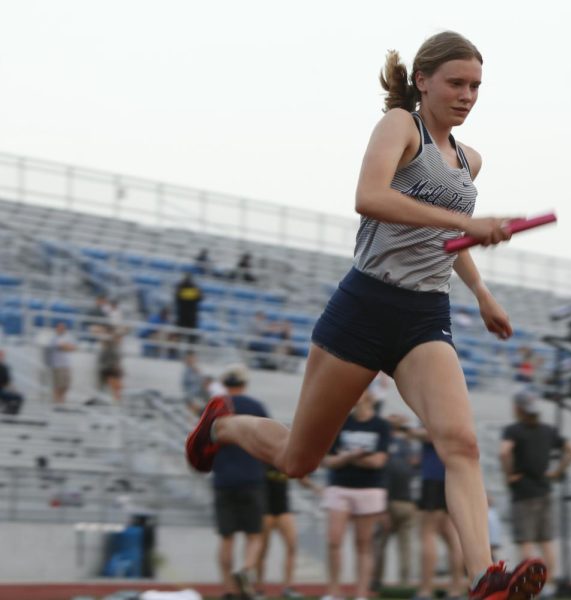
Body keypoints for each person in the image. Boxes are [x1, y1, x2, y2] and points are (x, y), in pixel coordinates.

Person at [185, 30, 546, 599]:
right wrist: (468, 224)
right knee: (298, 458)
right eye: (456, 83)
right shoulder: (401, 127)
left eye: (476, 85)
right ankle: (222, 426)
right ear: (423, 80)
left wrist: (481, 293)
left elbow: (446, 244)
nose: (467, 95)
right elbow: (369, 196)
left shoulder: (469, 160)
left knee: (461, 442)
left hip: (426, 315)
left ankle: (485, 577)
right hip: (366, 306)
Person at [500, 390, 571, 596]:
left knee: (526, 542)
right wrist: (557, 472)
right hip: (544, 490)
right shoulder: (548, 430)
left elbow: (504, 452)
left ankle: (529, 587)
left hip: (524, 491)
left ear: (518, 408)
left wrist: (510, 474)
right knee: (546, 541)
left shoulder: (513, 430)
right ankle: (549, 586)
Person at [321, 390, 391, 600]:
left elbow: (378, 462)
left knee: (363, 543)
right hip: (340, 486)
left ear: (369, 396)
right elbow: (328, 460)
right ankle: (334, 592)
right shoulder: (341, 422)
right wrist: (354, 456)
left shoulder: (381, 425)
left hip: (368, 489)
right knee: (334, 539)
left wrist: (347, 458)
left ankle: (361, 594)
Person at [210, 366, 269, 600]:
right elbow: (268, 440)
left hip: (223, 478)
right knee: (255, 535)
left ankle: (228, 589)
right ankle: (245, 571)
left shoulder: (214, 408)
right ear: (244, 384)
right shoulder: (256, 407)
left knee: (227, 537)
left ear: (225, 384)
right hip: (251, 477)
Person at [410, 427, 465, 600]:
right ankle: (455, 589)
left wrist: (405, 430)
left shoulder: (436, 407)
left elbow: (431, 434)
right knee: (450, 535)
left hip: (434, 478)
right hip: (450, 476)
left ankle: (426, 590)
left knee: (427, 533)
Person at [256, 465, 321, 600]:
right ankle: (259, 590)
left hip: (283, 509)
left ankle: (288, 587)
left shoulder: (285, 460)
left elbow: (301, 479)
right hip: (264, 509)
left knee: (292, 546)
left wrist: (316, 487)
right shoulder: (262, 455)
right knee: (261, 551)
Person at [372, 413, 420, 591]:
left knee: (380, 544)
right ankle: (404, 582)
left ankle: (376, 580)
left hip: (390, 500)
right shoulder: (409, 446)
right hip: (405, 500)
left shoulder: (386, 445)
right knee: (404, 545)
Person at [48, 321, 77, 405]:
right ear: (57, 328)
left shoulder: (68, 337)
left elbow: (73, 348)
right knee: (58, 384)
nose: (62, 329)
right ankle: (57, 401)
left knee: (66, 384)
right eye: (60, 327)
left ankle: (61, 400)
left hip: (66, 364)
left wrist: (66, 346)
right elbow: (62, 346)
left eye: (63, 327)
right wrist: (67, 346)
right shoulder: (54, 338)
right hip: (58, 365)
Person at [175, 273, 203, 342]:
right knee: (188, 335)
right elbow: (200, 298)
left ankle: (188, 350)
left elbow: (177, 298)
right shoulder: (194, 288)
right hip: (189, 316)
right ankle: (189, 351)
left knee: (182, 334)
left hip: (184, 315)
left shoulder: (180, 288)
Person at [0, 349, 24, 415]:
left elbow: (9, 381)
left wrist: (13, 390)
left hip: (2, 389)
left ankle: (11, 411)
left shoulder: (5, 367)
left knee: (19, 396)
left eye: (2, 356)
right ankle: (8, 410)